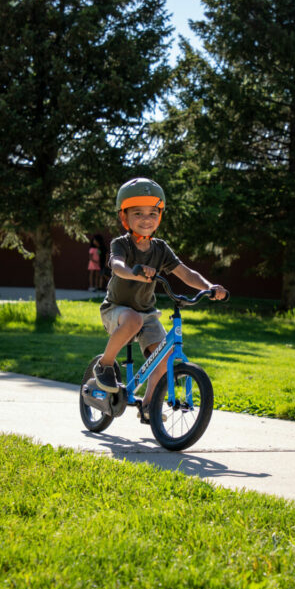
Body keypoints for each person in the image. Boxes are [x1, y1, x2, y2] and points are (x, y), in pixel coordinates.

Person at [93, 178, 227, 415]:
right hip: (116, 309)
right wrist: (134, 272)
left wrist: (209, 286)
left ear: (159, 217)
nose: (146, 219)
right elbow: (117, 265)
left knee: (165, 357)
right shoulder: (121, 244)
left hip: (147, 314)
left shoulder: (160, 248)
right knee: (133, 319)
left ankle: (148, 406)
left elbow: (185, 273)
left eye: (152, 213)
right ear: (124, 218)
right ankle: (104, 365)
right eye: (138, 213)